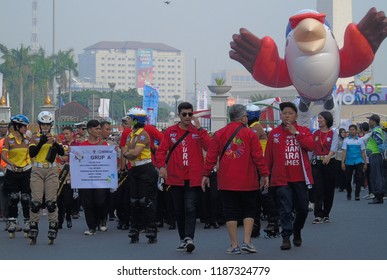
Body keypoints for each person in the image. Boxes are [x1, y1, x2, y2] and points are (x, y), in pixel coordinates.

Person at [202, 104, 269, 255]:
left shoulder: (219, 134)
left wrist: (206, 174)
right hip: (248, 179)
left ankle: (234, 244)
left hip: (226, 181)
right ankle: (247, 241)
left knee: (230, 211)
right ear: (243, 117)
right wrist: (264, 174)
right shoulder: (250, 134)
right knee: (249, 209)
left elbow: (211, 157)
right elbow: (258, 157)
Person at [156, 102, 211, 253]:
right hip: (175, 178)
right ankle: (183, 239)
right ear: (179, 115)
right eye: (184, 114)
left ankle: (189, 238)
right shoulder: (170, 132)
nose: (187, 117)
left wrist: (200, 129)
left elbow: (210, 147)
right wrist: (161, 167)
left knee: (190, 207)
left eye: (190, 114)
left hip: (193, 178)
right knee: (179, 210)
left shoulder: (198, 131)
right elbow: (161, 151)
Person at [265, 102, 315, 250]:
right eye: (284, 113)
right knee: (285, 209)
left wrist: (296, 133)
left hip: (300, 178)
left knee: (303, 209)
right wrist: (265, 175)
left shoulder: (303, 130)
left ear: (296, 116)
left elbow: (311, 146)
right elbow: (268, 156)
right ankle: (285, 237)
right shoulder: (274, 133)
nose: (286, 115)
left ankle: (297, 229)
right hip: (281, 179)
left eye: (290, 113)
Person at [122, 107, 158, 244]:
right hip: (134, 169)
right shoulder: (132, 134)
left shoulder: (143, 134)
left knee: (146, 201)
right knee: (134, 201)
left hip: (146, 169)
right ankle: (134, 229)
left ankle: (151, 229)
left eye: (130, 118)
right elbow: (126, 149)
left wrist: (126, 153)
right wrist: (127, 153)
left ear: (136, 120)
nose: (128, 121)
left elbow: (134, 152)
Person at [28, 111, 65, 245]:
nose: (45, 127)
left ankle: (53, 225)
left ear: (51, 125)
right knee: (36, 202)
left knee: (51, 202)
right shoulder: (34, 138)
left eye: (47, 124)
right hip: (37, 170)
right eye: (43, 124)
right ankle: (33, 226)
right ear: (39, 125)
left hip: (51, 169)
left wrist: (55, 143)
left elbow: (62, 153)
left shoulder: (56, 137)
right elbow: (32, 153)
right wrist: (41, 143)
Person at [246, 104, 279, 238]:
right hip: (256, 166)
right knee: (257, 197)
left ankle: (273, 222)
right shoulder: (252, 128)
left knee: (265, 197)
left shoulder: (255, 128)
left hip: (260, 166)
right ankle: (257, 225)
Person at [1, 114, 32, 238]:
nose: (26, 128)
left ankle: (27, 221)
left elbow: (32, 153)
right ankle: (12, 221)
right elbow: (3, 155)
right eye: (24, 126)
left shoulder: (27, 140)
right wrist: (10, 163)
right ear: (17, 126)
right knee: (13, 197)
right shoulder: (9, 139)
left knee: (25, 198)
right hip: (12, 172)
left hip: (25, 171)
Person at [79, 119, 109, 235]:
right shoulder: (82, 145)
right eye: (97, 129)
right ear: (90, 130)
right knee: (87, 202)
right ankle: (91, 227)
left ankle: (102, 218)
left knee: (100, 201)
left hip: (100, 178)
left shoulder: (104, 144)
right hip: (86, 179)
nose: (99, 131)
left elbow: (108, 160)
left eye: (99, 128)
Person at [310, 111, 338, 224]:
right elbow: (311, 149)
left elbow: (334, 146)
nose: (318, 120)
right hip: (317, 163)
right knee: (318, 188)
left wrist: (329, 156)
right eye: (318, 118)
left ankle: (326, 213)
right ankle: (318, 214)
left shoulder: (333, 133)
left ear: (326, 120)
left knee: (329, 189)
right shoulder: (315, 133)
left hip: (330, 162)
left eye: (320, 118)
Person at [56, 126, 78, 229]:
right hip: (61, 174)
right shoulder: (60, 145)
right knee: (59, 200)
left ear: (72, 133)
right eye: (64, 134)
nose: (65, 136)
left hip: (73, 175)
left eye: (67, 133)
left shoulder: (77, 145)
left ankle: (68, 215)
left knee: (68, 201)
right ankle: (60, 220)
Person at [341, 124, 367, 201]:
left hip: (358, 161)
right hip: (349, 161)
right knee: (348, 179)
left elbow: (363, 152)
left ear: (356, 131)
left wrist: (365, 163)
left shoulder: (360, 140)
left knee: (359, 178)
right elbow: (344, 152)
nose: (352, 131)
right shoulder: (346, 140)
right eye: (350, 129)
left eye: (353, 129)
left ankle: (357, 194)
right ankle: (349, 193)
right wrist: (342, 162)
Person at [366, 114, 385, 204]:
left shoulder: (376, 131)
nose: (369, 122)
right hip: (375, 155)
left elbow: (380, 144)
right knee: (376, 175)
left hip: (375, 155)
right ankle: (378, 195)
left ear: (374, 121)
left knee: (376, 176)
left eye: (370, 120)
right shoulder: (375, 130)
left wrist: (380, 152)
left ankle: (378, 196)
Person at [0, 120, 9, 221]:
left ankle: (7, 212)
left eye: (5, 127)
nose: (3, 129)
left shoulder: (10, 139)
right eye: (2, 127)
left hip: (9, 169)